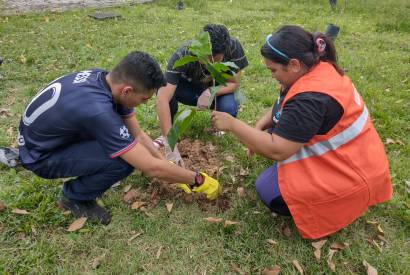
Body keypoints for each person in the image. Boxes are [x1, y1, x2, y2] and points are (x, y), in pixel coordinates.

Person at [211, 25, 392, 239]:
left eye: (273, 70)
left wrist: (233, 124)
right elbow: (283, 105)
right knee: (272, 140)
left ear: (294, 64)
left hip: (353, 174)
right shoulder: (314, 68)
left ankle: (334, 203)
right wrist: (259, 126)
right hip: (358, 156)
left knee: (268, 190)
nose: (272, 76)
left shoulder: (311, 99)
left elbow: (277, 150)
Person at [17, 51, 220, 225]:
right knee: (123, 162)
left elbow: (138, 134)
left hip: (50, 137)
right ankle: (73, 197)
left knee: (126, 146)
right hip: (41, 156)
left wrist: (168, 165)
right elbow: (149, 167)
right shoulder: (99, 112)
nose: (143, 104)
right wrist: (197, 179)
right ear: (127, 90)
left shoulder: (105, 79)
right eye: (143, 99)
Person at [155, 23, 248, 165]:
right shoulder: (184, 53)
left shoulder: (233, 47)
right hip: (188, 91)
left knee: (229, 107)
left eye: (213, 58)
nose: (208, 61)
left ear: (223, 53)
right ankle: (167, 133)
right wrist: (169, 141)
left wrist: (211, 91)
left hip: (217, 91)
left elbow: (233, 83)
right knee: (164, 89)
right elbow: (162, 98)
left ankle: (219, 127)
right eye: (205, 57)